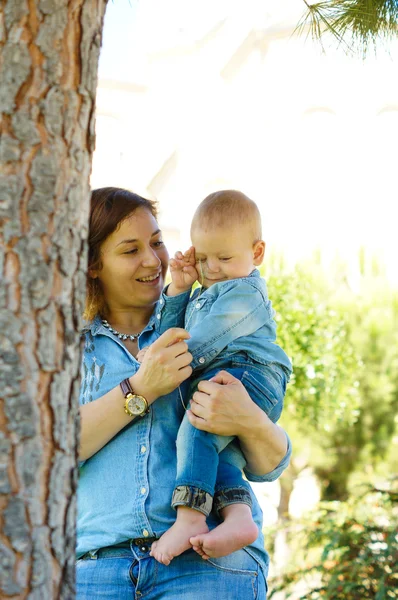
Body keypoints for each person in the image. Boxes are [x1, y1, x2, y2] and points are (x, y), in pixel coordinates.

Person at [77, 186, 292, 600]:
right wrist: (139, 388)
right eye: (129, 250)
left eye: (157, 242)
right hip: (93, 570)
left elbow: (271, 463)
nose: (152, 260)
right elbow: (49, 453)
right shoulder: (63, 348)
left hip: (207, 565)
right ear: (92, 265)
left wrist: (246, 419)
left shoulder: (205, 317)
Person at [149, 190, 292, 566]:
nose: (211, 268)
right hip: (229, 376)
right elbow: (172, 332)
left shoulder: (244, 293)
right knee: (218, 451)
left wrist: (158, 364)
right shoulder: (205, 290)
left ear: (256, 253)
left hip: (251, 376)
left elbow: (198, 343)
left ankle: (190, 516)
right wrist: (179, 289)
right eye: (204, 256)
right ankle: (239, 518)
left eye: (224, 258)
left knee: (195, 427)